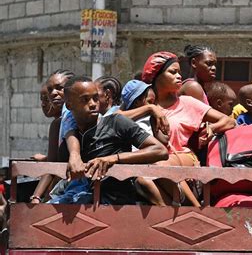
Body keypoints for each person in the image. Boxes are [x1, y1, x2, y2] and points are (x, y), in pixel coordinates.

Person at [139, 51, 235, 206]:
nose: (179, 76)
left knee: (158, 165)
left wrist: (213, 128)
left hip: (181, 158)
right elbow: (118, 117)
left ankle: (196, 209)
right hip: (151, 163)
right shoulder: (144, 105)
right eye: (173, 72)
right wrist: (151, 109)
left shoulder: (187, 103)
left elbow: (229, 122)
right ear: (157, 76)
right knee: (141, 179)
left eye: (179, 72)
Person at [55, 76, 169, 204]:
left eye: (95, 98)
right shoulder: (71, 138)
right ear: (70, 105)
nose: (93, 104)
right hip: (79, 202)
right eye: (85, 99)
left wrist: (114, 158)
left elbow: (160, 151)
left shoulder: (116, 122)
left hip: (114, 205)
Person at [30, 69, 75, 204]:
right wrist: (36, 197)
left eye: (59, 88)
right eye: (50, 90)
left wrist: (37, 197)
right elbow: (52, 164)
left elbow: (52, 165)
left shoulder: (92, 118)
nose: (54, 93)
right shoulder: (57, 124)